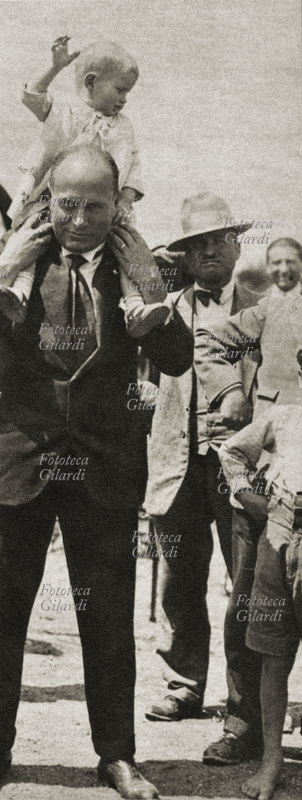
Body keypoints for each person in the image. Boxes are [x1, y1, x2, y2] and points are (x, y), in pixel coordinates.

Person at [0, 144, 193, 799]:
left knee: (109, 620)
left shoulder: (133, 267)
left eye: (95, 206)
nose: (81, 219)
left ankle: (116, 756)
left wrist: (154, 307)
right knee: (2, 618)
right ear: (46, 202)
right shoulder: (16, 259)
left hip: (102, 471)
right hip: (16, 467)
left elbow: (175, 360)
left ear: (118, 205)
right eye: (67, 205)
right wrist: (2, 278)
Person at [143, 192, 260, 722]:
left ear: (237, 246)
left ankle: (246, 700)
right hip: (178, 463)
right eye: (197, 245)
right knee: (179, 579)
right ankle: (184, 682)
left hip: (241, 468)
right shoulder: (163, 313)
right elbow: (142, 390)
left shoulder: (265, 307)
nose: (209, 252)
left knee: (250, 583)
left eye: (219, 240)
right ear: (184, 258)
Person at [193, 238, 302, 765]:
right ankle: (244, 723)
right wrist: (229, 393)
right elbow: (207, 339)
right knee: (251, 605)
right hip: (267, 484)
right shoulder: (273, 311)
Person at [0, 37, 153, 327]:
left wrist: (126, 199)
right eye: (120, 90)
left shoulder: (124, 126)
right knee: (31, 237)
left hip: (103, 208)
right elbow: (31, 95)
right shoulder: (65, 111)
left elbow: (133, 164)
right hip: (53, 200)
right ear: (92, 81)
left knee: (125, 248)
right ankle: (17, 291)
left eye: (128, 92)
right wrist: (55, 67)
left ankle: (135, 305)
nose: (124, 99)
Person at [218, 347, 302, 800]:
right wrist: (256, 502)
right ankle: (271, 763)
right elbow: (231, 451)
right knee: (272, 653)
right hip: (281, 535)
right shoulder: (285, 418)